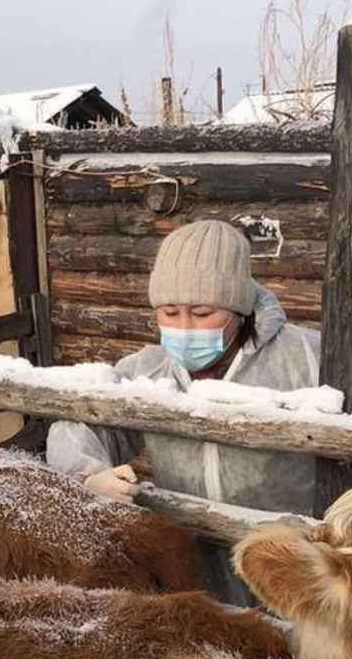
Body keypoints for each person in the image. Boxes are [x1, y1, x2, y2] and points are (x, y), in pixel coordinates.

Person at [46, 219, 322, 517]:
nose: (185, 327)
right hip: (190, 551)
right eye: (170, 312)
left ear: (239, 310)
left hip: (285, 554)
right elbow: (82, 422)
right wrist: (88, 475)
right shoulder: (150, 370)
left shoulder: (305, 357)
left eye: (202, 313)